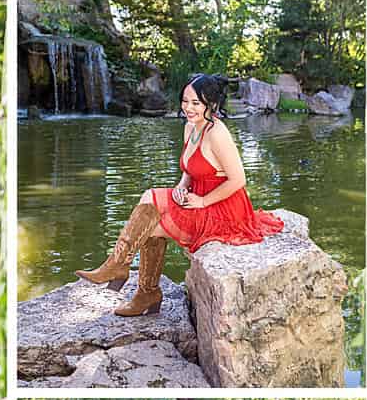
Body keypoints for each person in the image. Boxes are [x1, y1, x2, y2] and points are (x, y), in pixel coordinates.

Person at [74, 73, 285, 316]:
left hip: (222, 208)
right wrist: (181, 185)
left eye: (196, 103)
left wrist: (203, 201)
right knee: (149, 219)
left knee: (150, 204)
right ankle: (141, 288)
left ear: (211, 104)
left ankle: (125, 273)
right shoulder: (189, 127)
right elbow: (189, 168)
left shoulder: (217, 133)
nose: (188, 108)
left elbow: (238, 180)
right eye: (185, 101)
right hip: (195, 197)